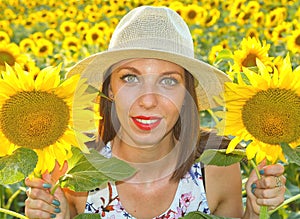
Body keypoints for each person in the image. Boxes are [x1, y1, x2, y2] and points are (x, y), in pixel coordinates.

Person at [24, 5, 286, 219]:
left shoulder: (215, 168)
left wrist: (255, 211)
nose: (148, 100)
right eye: (130, 78)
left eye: (169, 81)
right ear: (110, 89)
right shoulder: (74, 170)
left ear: (186, 95)